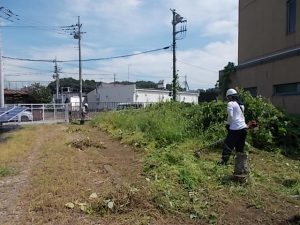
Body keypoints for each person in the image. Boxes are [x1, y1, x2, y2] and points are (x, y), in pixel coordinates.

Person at [220, 88, 249, 178]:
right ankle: (240, 165)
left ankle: (224, 162)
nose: (227, 99)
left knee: (228, 145)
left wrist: (228, 124)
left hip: (235, 129)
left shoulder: (230, 104)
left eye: (228, 97)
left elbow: (231, 116)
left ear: (229, 97)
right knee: (240, 148)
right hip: (243, 129)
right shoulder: (241, 105)